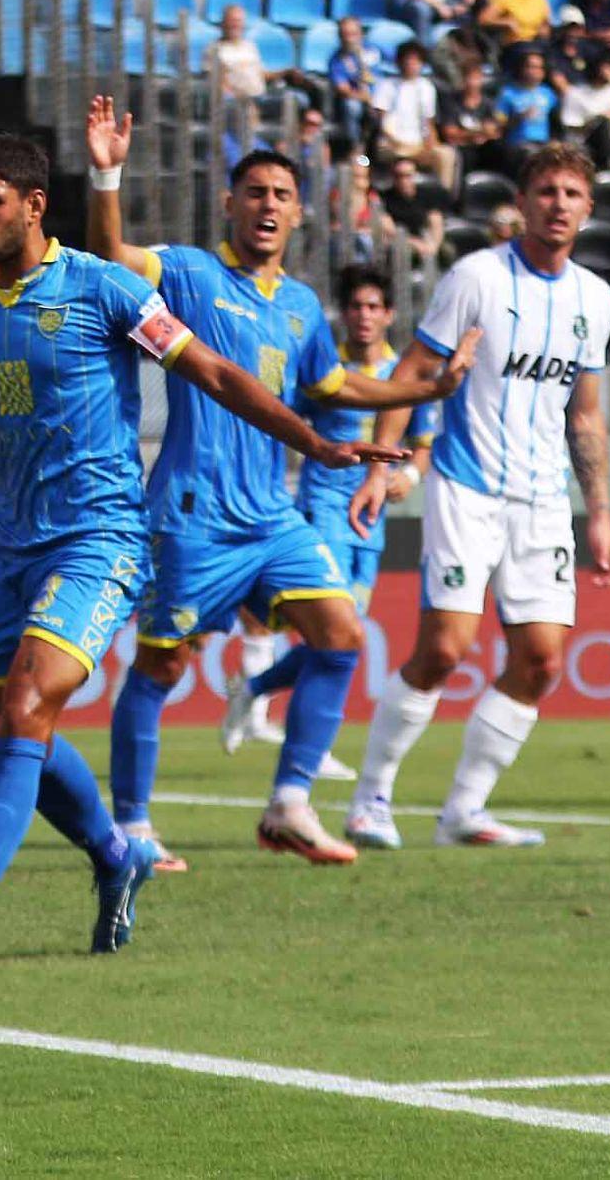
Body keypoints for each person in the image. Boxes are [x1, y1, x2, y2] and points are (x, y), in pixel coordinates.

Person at [0, 130, 382, 971]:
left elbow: (221, 376)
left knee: (21, 716)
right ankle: (118, 858)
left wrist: (317, 442)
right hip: (9, 554)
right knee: (22, 735)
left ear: (34, 207)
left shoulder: (105, 289)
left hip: (101, 540)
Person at [84, 103, 473, 867]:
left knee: (341, 637)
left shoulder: (299, 307)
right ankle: (130, 825)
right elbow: (108, 254)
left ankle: (290, 804)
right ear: (230, 204)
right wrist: (106, 172)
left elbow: (335, 386)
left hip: (271, 516)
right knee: (162, 666)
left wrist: (425, 393)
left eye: (280, 195)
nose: (267, 205)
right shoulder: (193, 273)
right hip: (194, 512)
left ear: (299, 213)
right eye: (254, 192)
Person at [346, 142, 610, 850]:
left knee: (542, 661)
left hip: (542, 502)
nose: (558, 203)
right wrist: (383, 466)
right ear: (522, 203)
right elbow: (413, 368)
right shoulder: (477, 277)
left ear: (588, 209)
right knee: (444, 650)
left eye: (571, 193)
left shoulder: (596, 298)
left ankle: (463, 811)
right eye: (547, 191)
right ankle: (370, 800)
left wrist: (600, 516)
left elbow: (583, 416)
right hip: (468, 488)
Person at [296, 266, 437, 621]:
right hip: (324, 505)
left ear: (389, 314)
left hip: (372, 515)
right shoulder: (325, 370)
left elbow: (423, 447)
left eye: (374, 307)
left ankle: (257, 679)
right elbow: (283, 416)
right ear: (344, 313)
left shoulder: (403, 376)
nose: (364, 315)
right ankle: (258, 673)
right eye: (356, 307)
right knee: (337, 620)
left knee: (350, 627)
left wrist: (409, 477)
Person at [374, 38, 461, 187]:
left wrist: (432, 144)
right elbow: (381, 120)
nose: (411, 64)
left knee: (446, 155)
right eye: (407, 60)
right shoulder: (387, 85)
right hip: (392, 144)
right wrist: (396, 140)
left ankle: (442, 199)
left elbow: (429, 122)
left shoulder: (427, 87)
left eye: (415, 61)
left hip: (418, 145)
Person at [439, 58, 505, 176]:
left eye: (476, 78)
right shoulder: (451, 102)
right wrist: (477, 133)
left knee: (498, 149)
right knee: (464, 155)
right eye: (469, 78)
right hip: (463, 148)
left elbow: (494, 132)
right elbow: (449, 133)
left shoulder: (488, 103)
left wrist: (483, 133)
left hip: (483, 147)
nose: (472, 83)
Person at [381, 154, 451, 257]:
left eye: (408, 176)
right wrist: (416, 244)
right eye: (399, 176)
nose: (403, 181)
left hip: (426, 238)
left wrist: (433, 246)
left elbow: (436, 222)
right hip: (401, 242)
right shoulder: (385, 198)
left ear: (415, 176)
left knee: (448, 251)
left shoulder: (427, 194)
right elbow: (390, 230)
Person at [329, 14, 383, 142]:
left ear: (360, 34)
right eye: (345, 35)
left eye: (353, 34)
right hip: (357, 98)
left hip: (380, 93)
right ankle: (354, 145)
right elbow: (343, 89)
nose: (349, 39)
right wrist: (366, 98)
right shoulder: (337, 60)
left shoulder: (373, 50)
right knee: (351, 107)